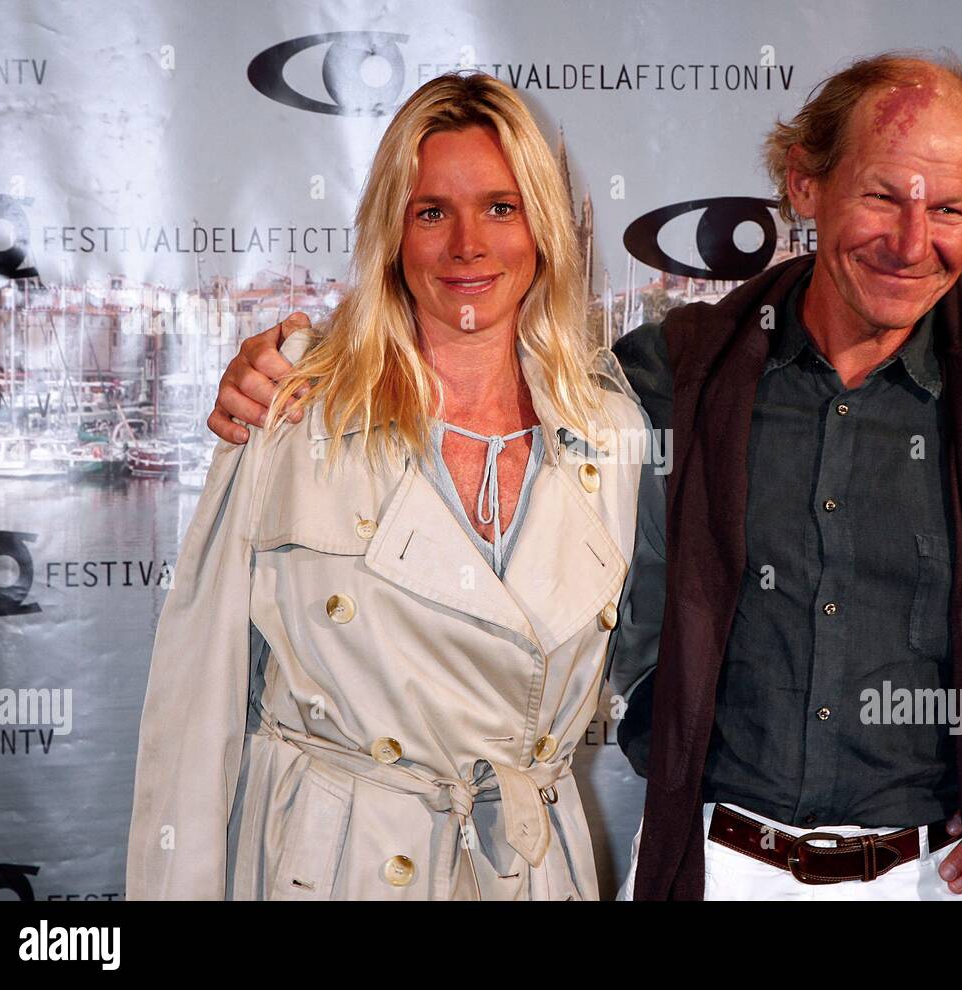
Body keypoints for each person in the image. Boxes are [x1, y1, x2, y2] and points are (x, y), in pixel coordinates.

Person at [208, 53, 962, 902]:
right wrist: (297, 360)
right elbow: (471, 363)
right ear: (804, 182)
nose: (911, 243)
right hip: (707, 869)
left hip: (943, 882)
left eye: (950, 211)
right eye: (881, 194)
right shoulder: (666, 379)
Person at [126, 71, 648, 900]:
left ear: (544, 227)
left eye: (500, 208)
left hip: (528, 868)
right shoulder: (294, 404)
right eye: (431, 211)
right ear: (391, 235)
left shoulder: (612, 433)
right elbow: (199, 705)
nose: (467, 245)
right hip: (336, 865)